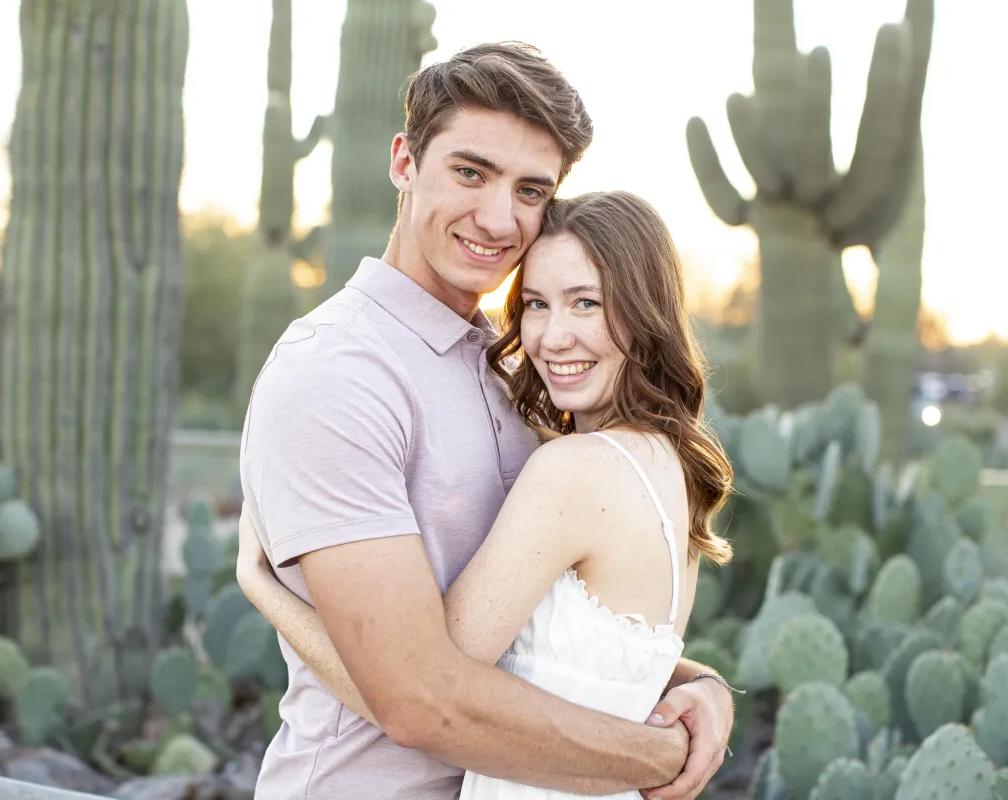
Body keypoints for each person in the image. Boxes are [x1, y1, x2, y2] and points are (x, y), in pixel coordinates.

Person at [237, 41, 738, 800]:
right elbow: (417, 698)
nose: (498, 216)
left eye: (531, 190)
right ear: (405, 161)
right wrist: (655, 757)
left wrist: (698, 684)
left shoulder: (520, 373)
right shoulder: (336, 374)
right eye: (470, 172)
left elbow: (543, 632)